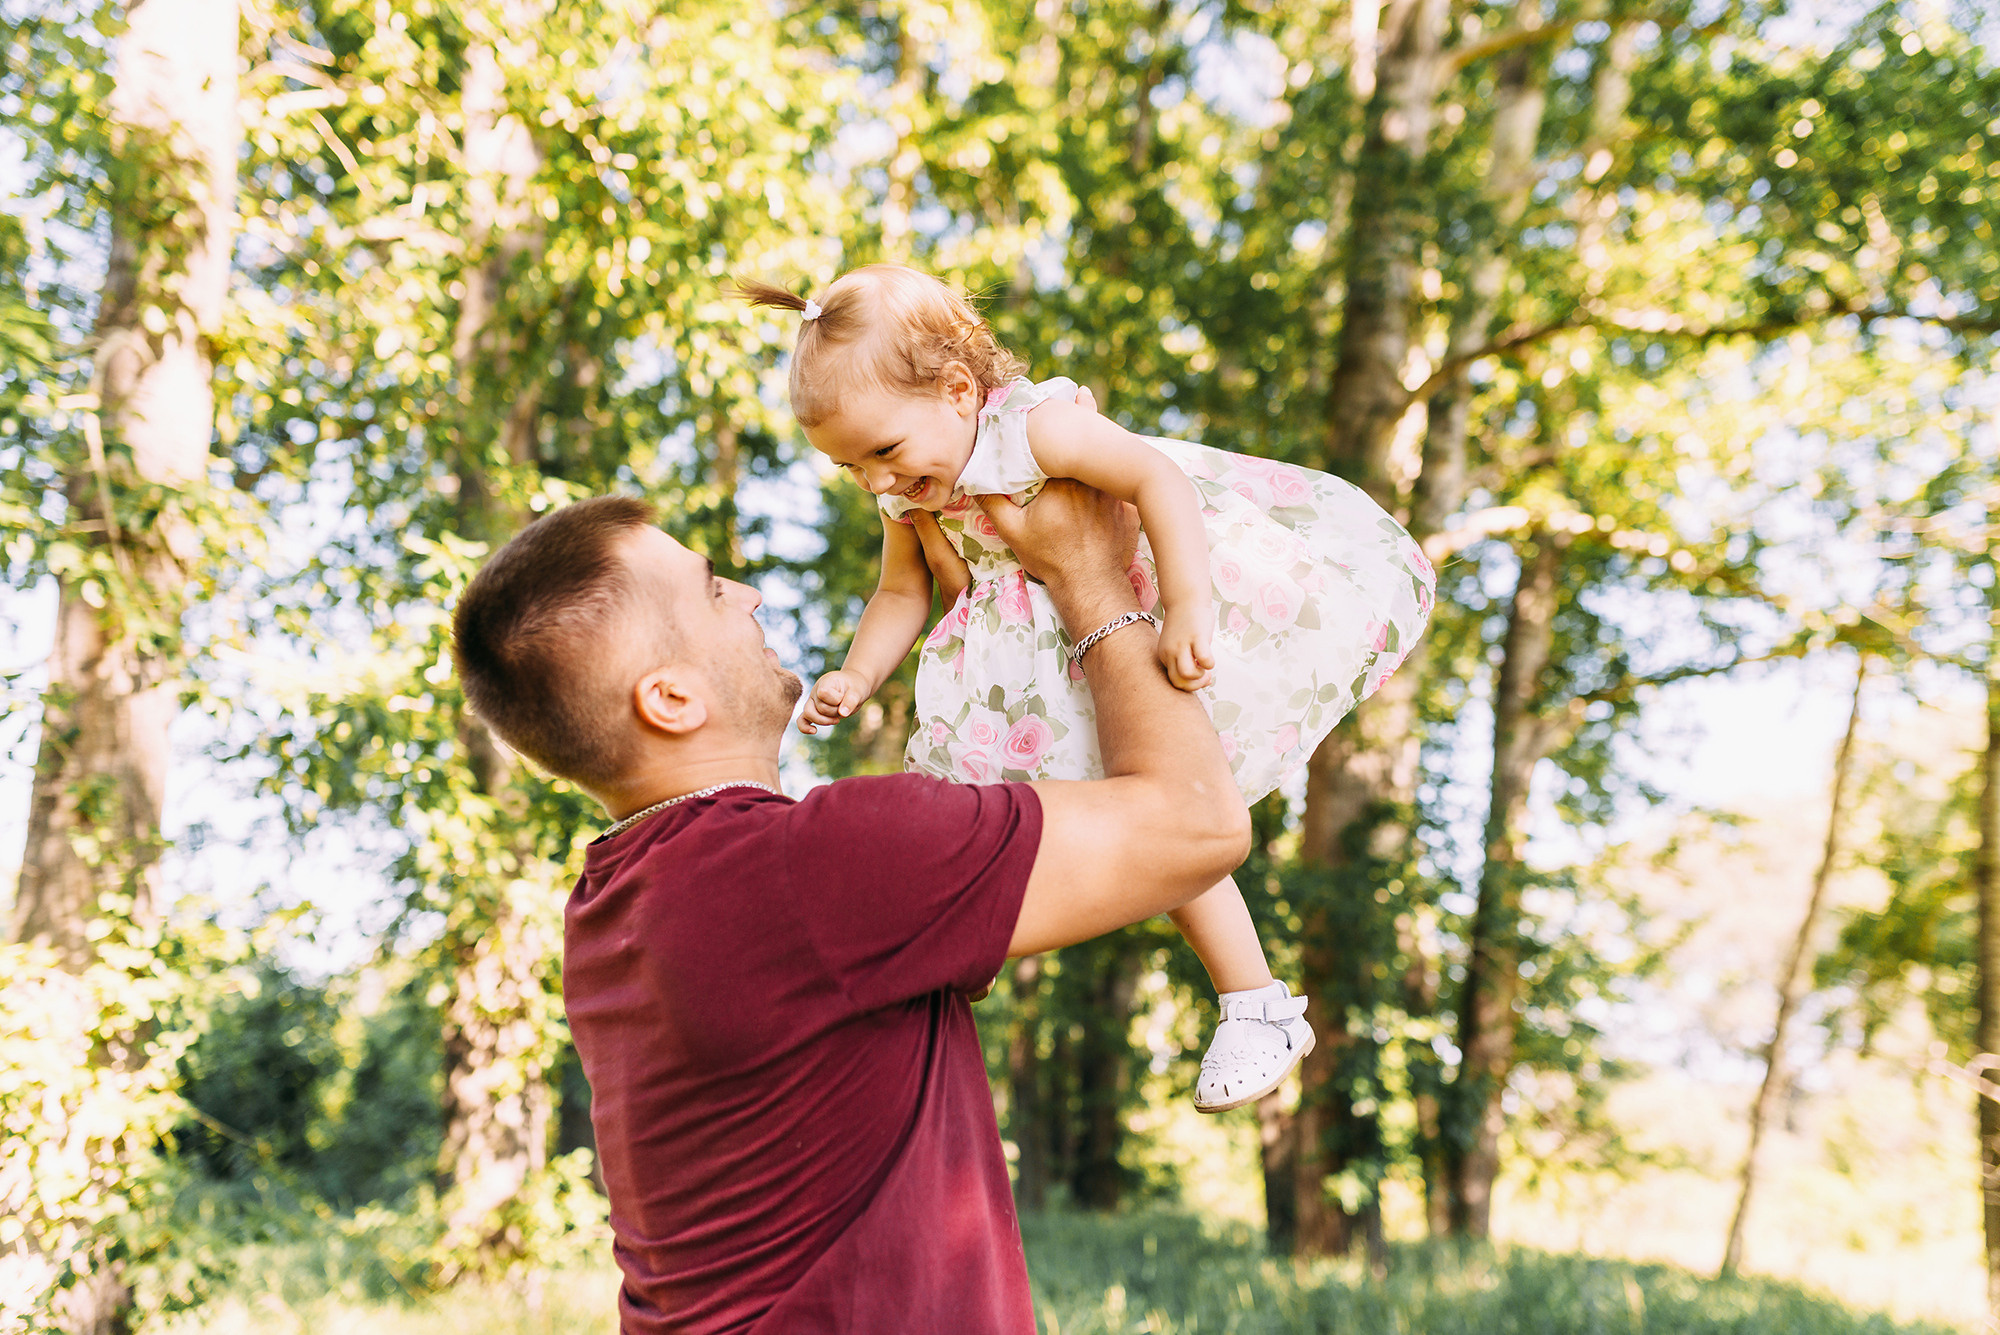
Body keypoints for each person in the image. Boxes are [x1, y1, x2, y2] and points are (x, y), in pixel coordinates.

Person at [450, 479, 1250, 1333]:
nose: (751, 595)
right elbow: (1197, 822)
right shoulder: (813, 867)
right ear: (671, 699)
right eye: (716, 590)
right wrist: (1091, 574)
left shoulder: (614, 902)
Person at [734, 264, 1436, 1113]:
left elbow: (1155, 479)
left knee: (1161, 813)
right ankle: (950, 944)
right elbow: (900, 593)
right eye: (850, 467)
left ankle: (1255, 1000)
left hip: (1101, 639)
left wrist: (1186, 603)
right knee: (957, 813)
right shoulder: (911, 493)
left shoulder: (1032, 429)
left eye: (882, 451)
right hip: (1011, 679)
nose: (877, 482)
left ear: (959, 390)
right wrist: (856, 670)